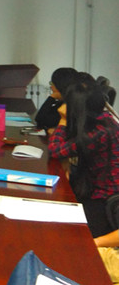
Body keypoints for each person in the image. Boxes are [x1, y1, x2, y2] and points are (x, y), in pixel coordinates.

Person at [48, 82, 119, 238]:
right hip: (98, 188)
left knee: (67, 234)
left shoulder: (96, 134)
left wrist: (63, 121)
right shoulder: (107, 120)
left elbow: (55, 150)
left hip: (104, 200)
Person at [34, 67, 78, 132]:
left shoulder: (70, 105)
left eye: (52, 83)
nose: (51, 87)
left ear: (60, 85)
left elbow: (41, 120)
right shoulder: (62, 102)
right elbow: (39, 119)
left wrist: (52, 97)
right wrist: (52, 97)